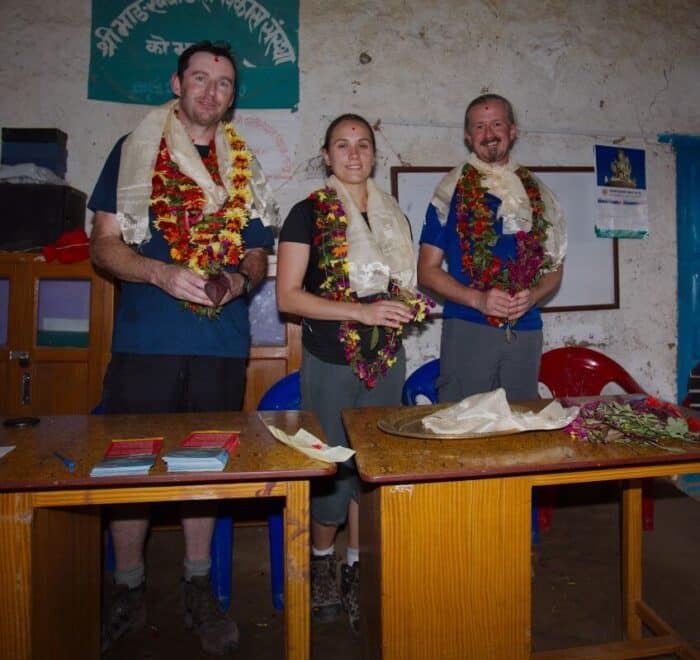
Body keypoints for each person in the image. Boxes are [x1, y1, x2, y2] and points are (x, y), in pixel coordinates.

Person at [88, 40, 277, 655]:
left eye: (223, 83)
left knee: (205, 472)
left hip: (221, 344)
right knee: (129, 468)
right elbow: (105, 246)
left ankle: (198, 586)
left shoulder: (241, 163)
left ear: (232, 96)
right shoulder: (134, 150)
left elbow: (256, 251)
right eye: (200, 78)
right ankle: (128, 585)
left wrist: (241, 281)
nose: (211, 92)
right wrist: (161, 273)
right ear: (178, 83)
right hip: (146, 342)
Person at [276, 114, 430, 634]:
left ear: (373, 154)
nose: (354, 154)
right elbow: (287, 297)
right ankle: (321, 562)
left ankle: (356, 569)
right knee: (331, 472)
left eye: (363, 144)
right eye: (342, 145)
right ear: (326, 155)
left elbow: (399, 285)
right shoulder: (306, 214)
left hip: (386, 363)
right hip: (330, 364)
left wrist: (411, 306)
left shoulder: (393, 217)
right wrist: (361, 312)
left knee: (373, 471)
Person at [418, 94, 566, 402]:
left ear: (513, 130)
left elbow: (554, 268)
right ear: (467, 136)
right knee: (464, 427)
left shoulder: (538, 193)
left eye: (497, 124)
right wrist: (478, 299)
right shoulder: (450, 191)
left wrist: (534, 296)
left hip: (526, 329)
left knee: (519, 427)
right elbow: (426, 271)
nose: (489, 134)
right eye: (479, 126)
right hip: (469, 326)